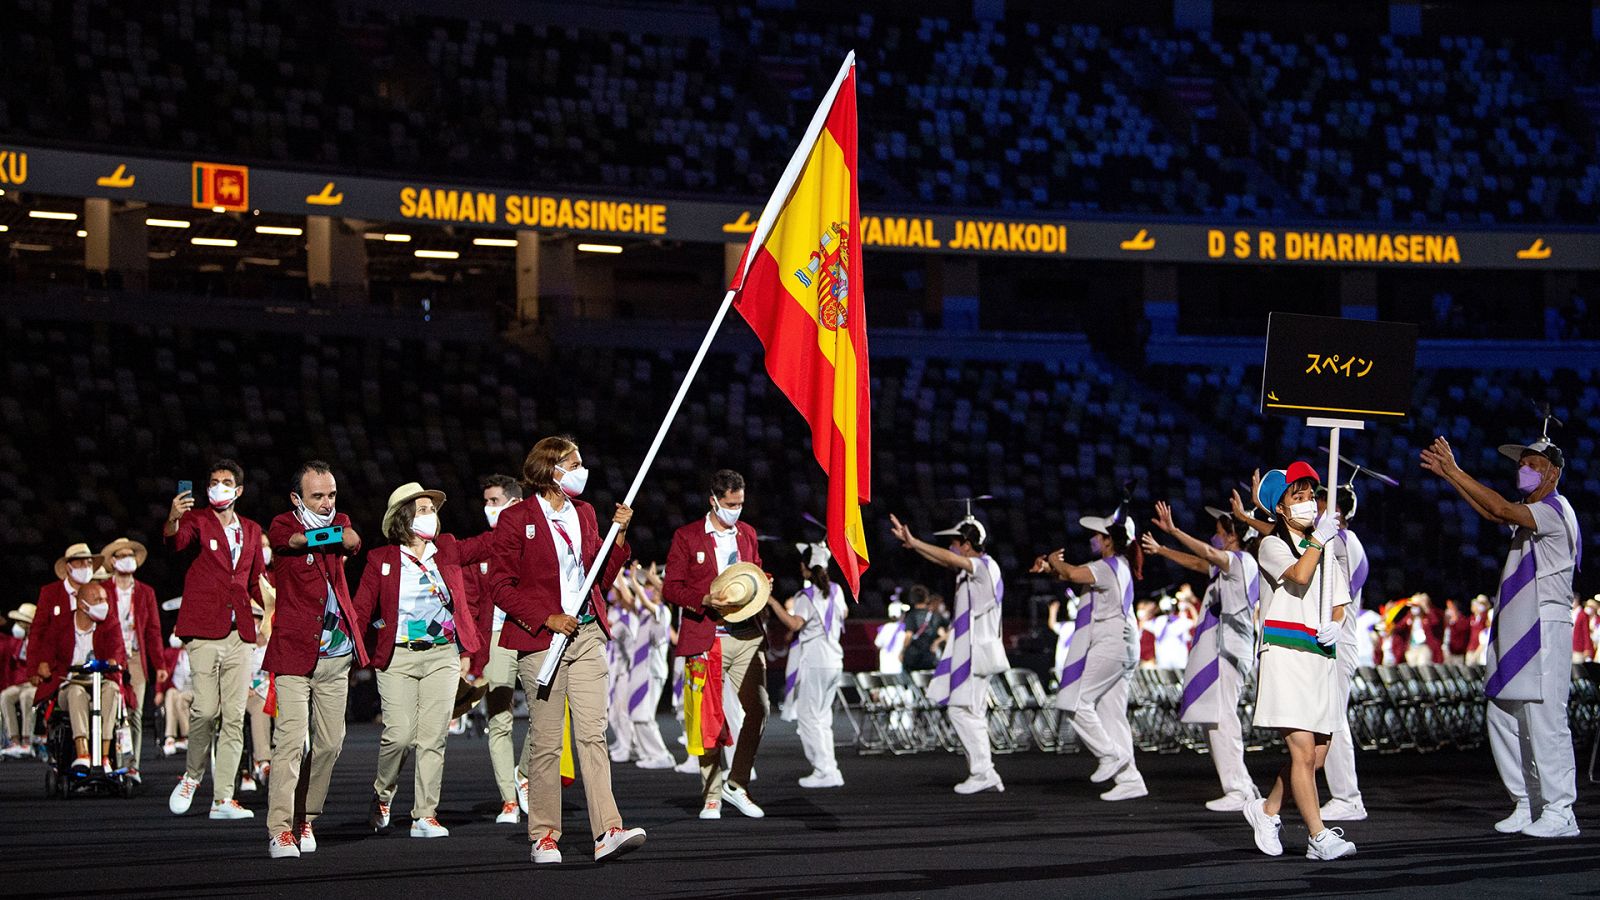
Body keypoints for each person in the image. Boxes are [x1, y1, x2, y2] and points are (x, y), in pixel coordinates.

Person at [485, 436, 646, 865]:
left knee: (593, 734)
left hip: (587, 634)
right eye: (574, 463)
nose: (582, 469)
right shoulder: (516, 519)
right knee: (547, 742)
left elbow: (601, 578)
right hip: (542, 642)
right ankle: (544, 836)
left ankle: (607, 829)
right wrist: (546, 618)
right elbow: (499, 585)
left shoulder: (587, 513)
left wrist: (620, 536)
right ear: (552, 470)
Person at [1420, 432, 1581, 838]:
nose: (1523, 470)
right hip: (1519, 621)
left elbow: (1499, 507)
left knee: (1545, 717)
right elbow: (1495, 514)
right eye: (1521, 464)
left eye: (1533, 465)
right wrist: (1448, 476)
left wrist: (1456, 469)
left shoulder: (1554, 510)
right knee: (1504, 712)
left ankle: (1561, 810)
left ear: (1554, 473)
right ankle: (1528, 800)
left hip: (1545, 623)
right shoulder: (1530, 512)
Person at [354, 482, 490, 839]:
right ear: (404, 517)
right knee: (398, 736)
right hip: (397, 658)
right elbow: (361, 608)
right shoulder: (381, 559)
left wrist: (514, 520)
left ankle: (424, 814)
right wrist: (348, 649)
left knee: (433, 739)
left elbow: (484, 546)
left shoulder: (445, 548)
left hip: (442, 656)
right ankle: (382, 796)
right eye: (424, 509)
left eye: (432, 509)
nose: (432, 516)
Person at [1241, 462, 1356, 860]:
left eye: (1311, 495)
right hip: (1286, 655)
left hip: (1319, 656)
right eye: (1299, 496)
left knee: (1316, 755)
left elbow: (1340, 603)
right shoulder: (1271, 545)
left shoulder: (1324, 548)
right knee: (1303, 753)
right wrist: (1319, 541)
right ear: (1281, 508)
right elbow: (1299, 577)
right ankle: (1318, 838)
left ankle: (1267, 809)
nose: (1309, 502)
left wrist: (1337, 627)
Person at [264, 460, 369, 858]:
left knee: (330, 743)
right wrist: (330, 535)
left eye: (331, 495)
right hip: (293, 653)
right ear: (297, 498)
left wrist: (337, 533)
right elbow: (292, 543)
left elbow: (353, 541)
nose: (327, 503)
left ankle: (305, 815)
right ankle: (280, 828)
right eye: (317, 496)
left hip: (336, 654)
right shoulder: (280, 523)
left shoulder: (339, 518)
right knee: (290, 742)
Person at [663, 469, 770, 820]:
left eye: (740, 504)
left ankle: (736, 783)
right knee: (706, 718)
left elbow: (754, 571)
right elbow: (671, 588)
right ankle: (711, 794)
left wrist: (761, 582)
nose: (736, 510)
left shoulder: (748, 534)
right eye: (730, 504)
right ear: (713, 500)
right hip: (707, 636)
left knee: (760, 707)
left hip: (746, 636)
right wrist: (704, 599)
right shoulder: (687, 536)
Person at [163, 459, 267, 820]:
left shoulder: (252, 530)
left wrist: (273, 608)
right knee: (206, 710)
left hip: (241, 632)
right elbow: (177, 542)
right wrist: (174, 516)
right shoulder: (196, 521)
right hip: (204, 629)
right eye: (213, 481)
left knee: (234, 716)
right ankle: (192, 776)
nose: (218, 487)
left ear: (238, 491)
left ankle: (223, 798)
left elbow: (257, 580)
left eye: (226, 482)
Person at [1143, 501, 1260, 812]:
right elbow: (1199, 563)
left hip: (1228, 650)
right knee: (1216, 718)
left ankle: (1237, 789)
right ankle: (1243, 785)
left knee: (1222, 719)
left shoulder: (1239, 561)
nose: (1214, 536)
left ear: (1232, 535)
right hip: (1224, 649)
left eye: (1219, 532)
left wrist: (1174, 531)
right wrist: (1163, 550)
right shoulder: (1231, 564)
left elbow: (1207, 555)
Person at [1037, 505, 1147, 802]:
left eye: (1097, 535)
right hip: (1122, 642)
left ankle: (1108, 754)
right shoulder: (1117, 566)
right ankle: (1130, 779)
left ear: (1109, 540)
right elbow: (1076, 575)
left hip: (1111, 642)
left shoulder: (1107, 566)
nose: (1092, 539)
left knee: (1075, 702)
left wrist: (1052, 561)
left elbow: (1073, 573)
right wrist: (1051, 569)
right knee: (1112, 714)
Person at [890, 513, 1006, 795]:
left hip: (977, 652)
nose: (952, 549)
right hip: (973, 650)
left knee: (961, 711)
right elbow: (946, 560)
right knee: (970, 712)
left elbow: (952, 560)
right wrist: (915, 546)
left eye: (955, 543)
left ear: (966, 544)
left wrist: (916, 541)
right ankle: (985, 772)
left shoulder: (983, 566)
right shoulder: (973, 569)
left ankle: (982, 772)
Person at [465, 473, 525, 824]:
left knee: (548, 713)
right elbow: (471, 604)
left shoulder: (539, 541)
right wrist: (470, 652)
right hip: (497, 637)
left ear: (515, 504)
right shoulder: (482, 548)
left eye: (494, 501)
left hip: (536, 635)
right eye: (485, 502)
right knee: (499, 719)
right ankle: (508, 800)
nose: (487, 508)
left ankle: (526, 774)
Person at [771, 541, 847, 789]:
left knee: (808, 717)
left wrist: (772, 603)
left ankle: (823, 769)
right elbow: (844, 614)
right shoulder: (836, 590)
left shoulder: (804, 596)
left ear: (805, 568)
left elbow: (795, 624)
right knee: (822, 718)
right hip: (835, 659)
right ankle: (831, 769)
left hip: (815, 659)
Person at [35, 580, 133, 771]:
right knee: (75, 692)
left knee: (112, 690)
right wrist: (44, 665)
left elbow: (118, 651)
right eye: (97, 599)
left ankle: (105, 756)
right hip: (70, 682)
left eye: (104, 599)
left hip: (101, 681)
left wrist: (114, 661)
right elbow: (46, 652)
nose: (103, 604)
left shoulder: (110, 623)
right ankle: (83, 754)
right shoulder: (61, 623)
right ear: (82, 604)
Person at [1318, 485, 1369, 824]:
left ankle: (1348, 797)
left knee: (1335, 719)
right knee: (1328, 717)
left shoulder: (1343, 542)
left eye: (1319, 505)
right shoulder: (1338, 541)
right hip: (1332, 641)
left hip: (1341, 640)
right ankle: (1342, 794)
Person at [101, 538, 166, 783]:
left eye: (131, 555)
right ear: (113, 561)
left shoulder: (145, 592)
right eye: (122, 555)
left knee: (134, 711)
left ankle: (131, 766)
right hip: (110, 657)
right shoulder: (103, 590)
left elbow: (153, 630)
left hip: (136, 657)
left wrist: (159, 664)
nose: (128, 558)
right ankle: (109, 761)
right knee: (111, 709)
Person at [619, 565, 675, 769]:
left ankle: (661, 755)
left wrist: (635, 580)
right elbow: (630, 599)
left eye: (651, 587)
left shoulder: (662, 612)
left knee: (644, 715)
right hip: (640, 670)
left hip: (653, 670)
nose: (647, 589)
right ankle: (649, 754)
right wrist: (620, 575)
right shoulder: (644, 613)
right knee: (636, 715)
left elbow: (643, 599)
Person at [2, 604, 39, 757]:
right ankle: (14, 740)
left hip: (36, 684)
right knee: (5, 696)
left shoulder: (40, 641)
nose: (17, 626)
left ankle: (27, 740)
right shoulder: (17, 642)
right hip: (20, 683)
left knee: (26, 697)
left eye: (21, 623)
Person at [158, 634, 195, 756]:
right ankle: (170, 737)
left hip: (193, 689)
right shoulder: (173, 654)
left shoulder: (197, 653)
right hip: (178, 688)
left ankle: (187, 736)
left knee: (180, 699)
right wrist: (159, 691)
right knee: (170, 694)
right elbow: (162, 672)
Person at [900, 585, 947, 673]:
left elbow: (908, 636)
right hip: (929, 658)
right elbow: (946, 634)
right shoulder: (935, 616)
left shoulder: (911, 616)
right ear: (926, 598)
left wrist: (902, 651)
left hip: (912, 658)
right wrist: (937, 642)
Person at [874, 592, 908, 675]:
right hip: (897, 665)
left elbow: (878, 644)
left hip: (886, 665)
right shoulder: (905, 628)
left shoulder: (885, 628)